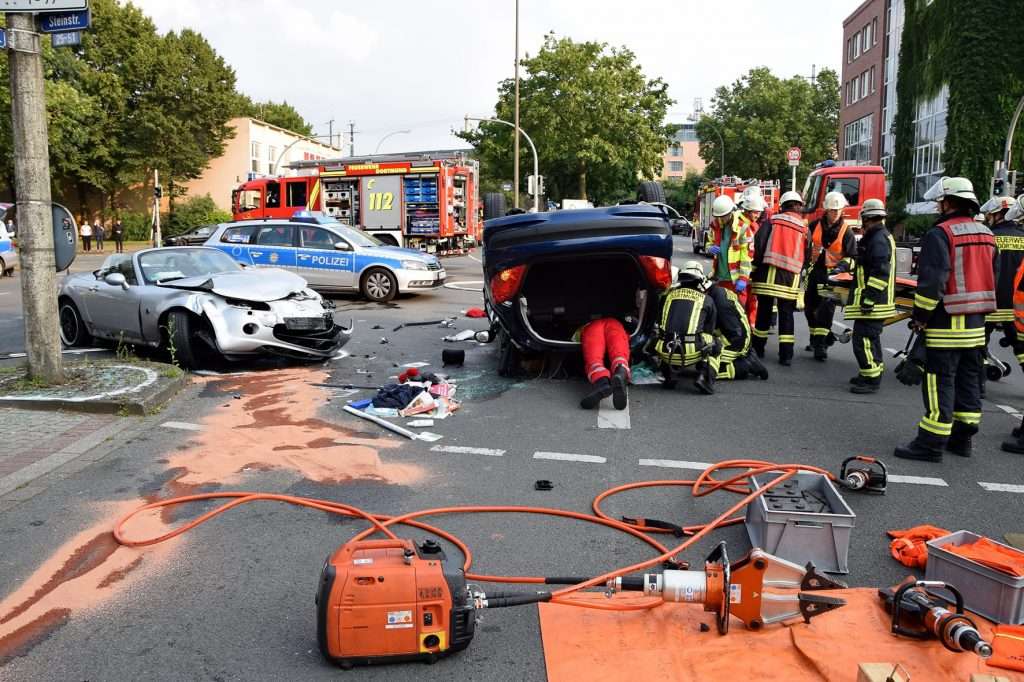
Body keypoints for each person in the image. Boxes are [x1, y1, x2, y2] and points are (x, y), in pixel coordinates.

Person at [894, 177, 997, 462]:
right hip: (976, 327)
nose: (939, 207)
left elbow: (932, 282)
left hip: (946, 324)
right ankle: (962, 440)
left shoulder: (941, 233)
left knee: (940, 383)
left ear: (949, 202)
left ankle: (930, 444)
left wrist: (920, 316)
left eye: (941, 202)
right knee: (968, 381)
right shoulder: (987, 234)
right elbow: (994, 278)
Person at [751, 190, 808, 366]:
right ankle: (786, 355)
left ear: (782, 205)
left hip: (767, 275)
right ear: (798, 206)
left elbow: (759, 244)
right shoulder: (804, 228)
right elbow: (808, 254)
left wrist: (755, 267)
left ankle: (758, 349)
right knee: (786, 315)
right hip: (790, 279)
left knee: (763, 313)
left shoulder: (772, 221)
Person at [845, 199, 897, 394]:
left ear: (867, 218)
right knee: (871, 339)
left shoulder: (878, 239)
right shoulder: (879, 236)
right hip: (877, 301)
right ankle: (869, 373)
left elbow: (880, 271)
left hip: (874, 302)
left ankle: (871, 378)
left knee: (862, 339)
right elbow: (867, 264)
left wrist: (869, 299)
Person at [651, 261, 718, 394]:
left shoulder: (667, 296)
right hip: (690, 352)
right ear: (699, 280)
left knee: (664, 334)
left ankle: (669, 375)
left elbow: (659, 321)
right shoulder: (707, 299)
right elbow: (709, 330)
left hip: (665, 350)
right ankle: (704, 377)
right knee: (716, 343)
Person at [805, 191, 856, 361]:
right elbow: (805, 245)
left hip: (835, 277)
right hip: (815, 272)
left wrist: (841, 267)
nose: (835, 213)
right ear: (826, 210)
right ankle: (816, 338)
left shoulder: (846, 231)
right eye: (832, 210)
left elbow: (852, 257)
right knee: (809, 307)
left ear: (842, 210)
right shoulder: (814, 226)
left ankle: (821, 346)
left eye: (838, 210)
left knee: (826, 310)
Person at [980, 196, 1024, 373]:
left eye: (990, 215)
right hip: (1017, 307)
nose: (989, 218)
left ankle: (978, 387)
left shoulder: (989, 236)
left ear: (998, 214)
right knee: (1021, 347)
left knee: (978, 346)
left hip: (991, 304)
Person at [706, 280, 769, 381]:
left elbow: (718, 327)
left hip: (737, 340)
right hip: (741, 337)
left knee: (706, 361)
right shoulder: (720, 293)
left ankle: (746, 365)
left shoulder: (717, 301)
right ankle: (748, 355)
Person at [708, 194, 753, 308]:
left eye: (724, 216)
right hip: (720, 278)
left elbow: (746, 257)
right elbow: (710, 241)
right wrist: (709, 248)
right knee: (721, 312)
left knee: (738, 312)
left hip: (735, 280)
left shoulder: (742, 228)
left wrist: (743, 279)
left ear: (731, 212)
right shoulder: (715, 225)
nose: (721, 219)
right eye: (719, 216)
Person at [578, 319, 630, 410]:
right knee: (619, 349)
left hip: (591, 323)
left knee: (594, 359)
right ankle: (621, 371)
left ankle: (602, 383)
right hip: (616, 321)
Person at [736, 190, 768, 324]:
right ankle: (743, 330)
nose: (757, 215)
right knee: (741, 303)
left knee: (752, 301)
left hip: (751, 271)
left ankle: (751, 329)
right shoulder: (740, 225)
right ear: (747, 211)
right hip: (741, 271)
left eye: (759, 212)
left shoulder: (754, 225)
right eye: (755, 212)